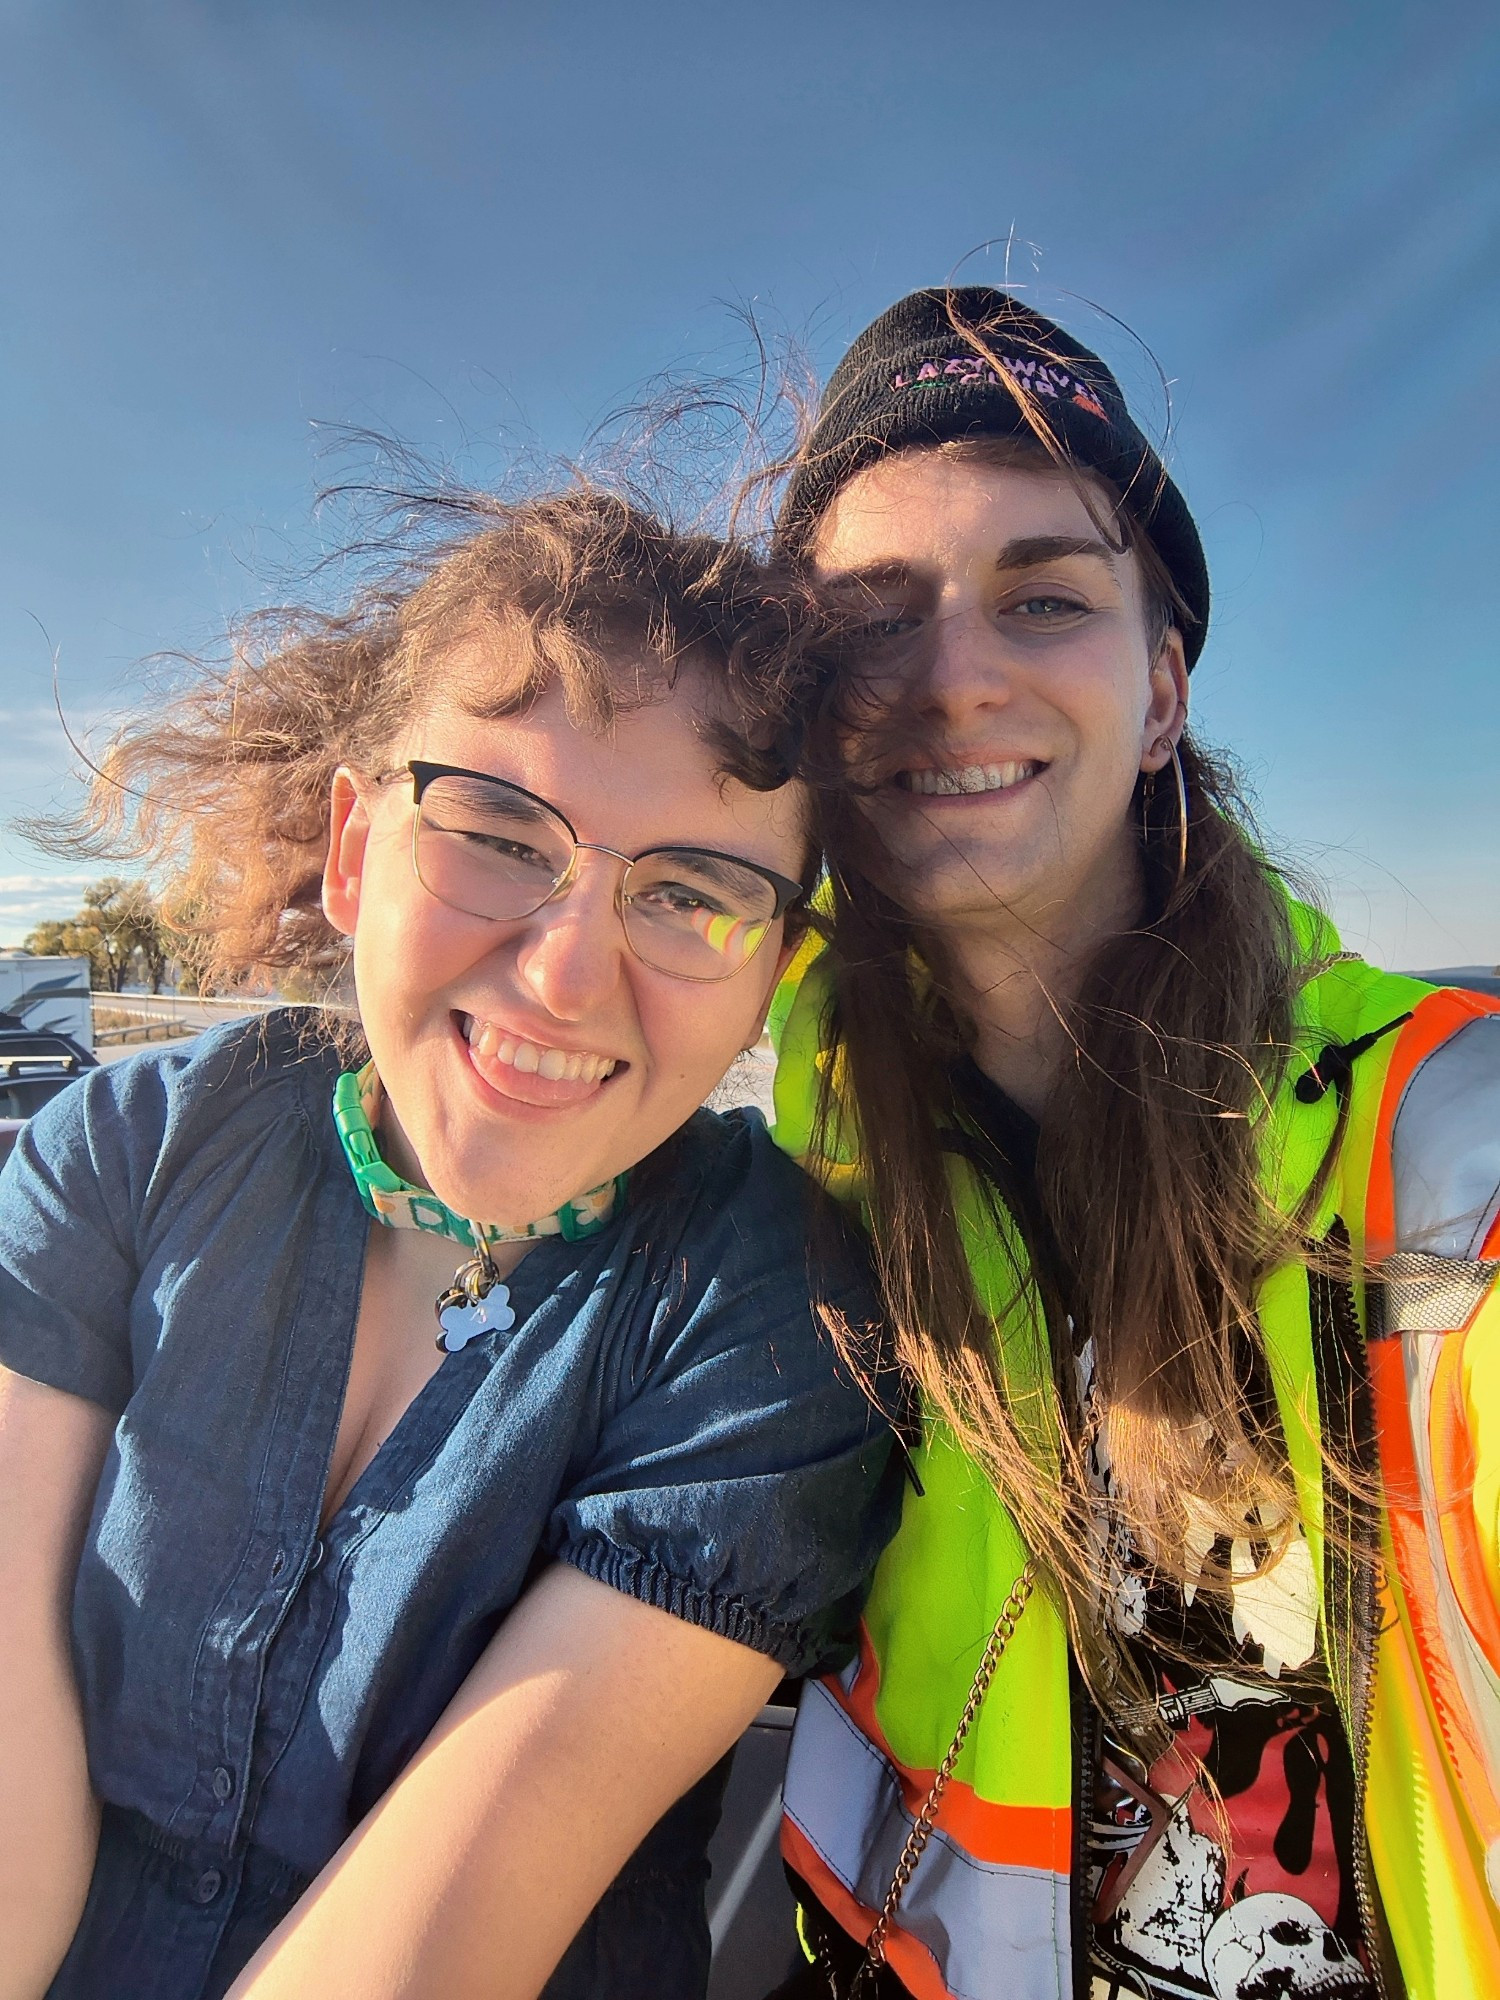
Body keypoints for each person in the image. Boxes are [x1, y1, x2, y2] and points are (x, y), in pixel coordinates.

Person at [0, 486, 902, 2000]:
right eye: (496, 833)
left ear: (774, 979)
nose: (562, 976)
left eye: (690, 893)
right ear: (355, 851)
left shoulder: (769, 1316)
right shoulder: (128, 1148)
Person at [761, 288, 1500, 1999]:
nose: (955, 678)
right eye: (872, 625)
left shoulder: (1433, 1148)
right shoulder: (801, 1154)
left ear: (1162, 692)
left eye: (1045, 598)